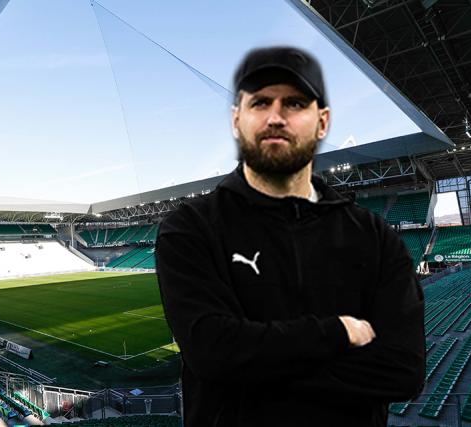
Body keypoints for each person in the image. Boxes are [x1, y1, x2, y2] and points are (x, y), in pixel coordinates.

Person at [154, 46, 425, 426]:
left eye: (295, 103)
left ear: (322, 122)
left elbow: (403, 370)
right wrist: (338, 332)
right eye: (260, 103)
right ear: (236, 120)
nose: (276, 118)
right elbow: (211, 352)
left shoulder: (374, 236)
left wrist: (251, 362)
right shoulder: (189, 228)